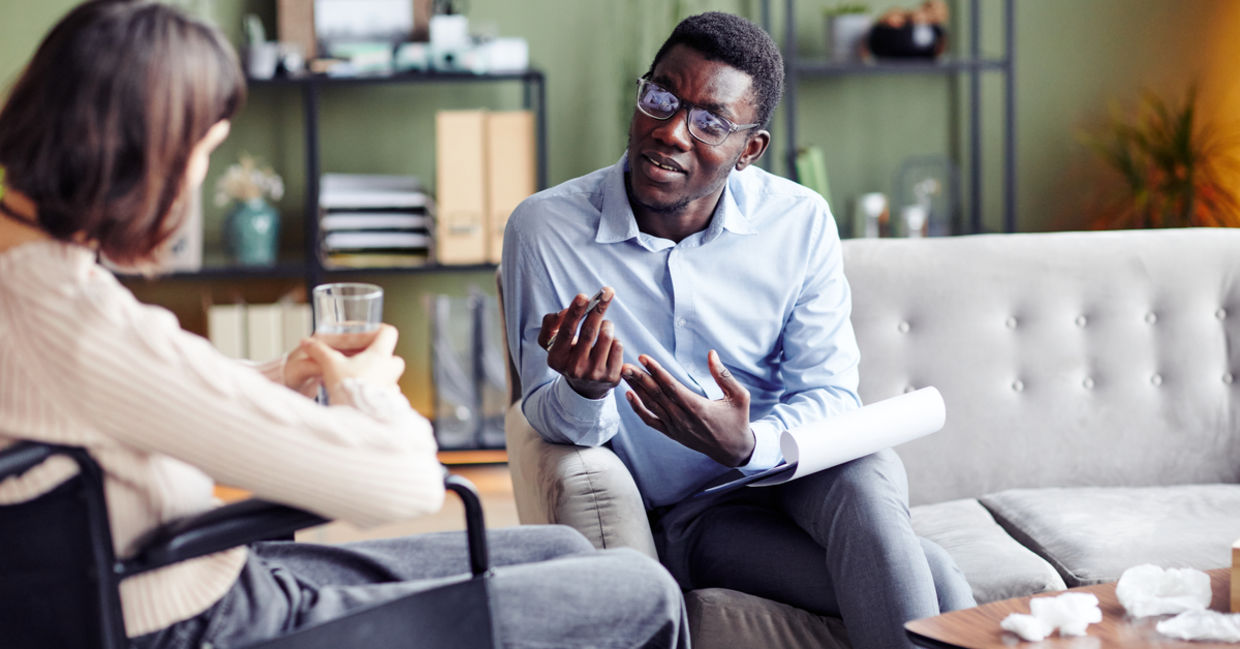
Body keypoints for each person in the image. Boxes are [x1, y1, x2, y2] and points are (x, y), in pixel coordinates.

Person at [0, 2, 689, 649]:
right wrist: (368, 387)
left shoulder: (30, 280)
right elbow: (407, 483)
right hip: (202, 618)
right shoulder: (73, 319)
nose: (195, 185)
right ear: (142, 160)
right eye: (203, 155)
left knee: (566, 548)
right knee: (642, 588)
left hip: (186, 573)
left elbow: (117, 396)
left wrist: (278, 373)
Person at [501, 11, 976, 649]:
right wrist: (584, 392)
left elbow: (832, 395)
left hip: (796, 474)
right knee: (937, 576)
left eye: (710, 121)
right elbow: (543, 415)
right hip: (696, 516)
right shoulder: (545, 230)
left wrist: (747, 444)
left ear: (749, 149)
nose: (669, 131)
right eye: (661, 97)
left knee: (866, 470)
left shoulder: (800, 220)